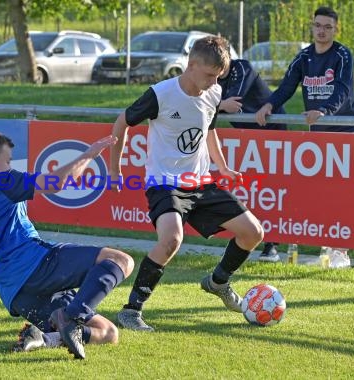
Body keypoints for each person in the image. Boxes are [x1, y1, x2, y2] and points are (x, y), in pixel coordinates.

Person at [109, 36, 264, 331]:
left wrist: (223, 167)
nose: (213, 81)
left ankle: (218, 282)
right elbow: (122, 122)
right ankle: (131, 310)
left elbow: (209, 130)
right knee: (171, 240)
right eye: (208, 75)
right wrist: (114, 170)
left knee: (253, 232)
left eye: (217, 76)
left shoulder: (214, 92)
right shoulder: (161, 94)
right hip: (164, 184)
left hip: (201, 183)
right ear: (191, 65)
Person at [0, 128, 134, 360]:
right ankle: (71, 317)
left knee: (109, 332)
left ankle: (43, 338)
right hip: (39, 268)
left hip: (18, 296)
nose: (9, 166)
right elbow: (57, 182)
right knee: (121, 260)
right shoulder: (1, 180)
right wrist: (89, 154)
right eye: (7, 161)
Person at [218, 58, 289, 263]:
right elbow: (198, 100)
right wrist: (218, 103)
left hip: (272, 133)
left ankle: (272, 245)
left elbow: (233, 102)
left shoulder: (242, 67)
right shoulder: (210, 76)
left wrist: (216, 103)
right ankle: (246, 240)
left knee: (273, 190)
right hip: (246, 138)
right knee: (250, 189)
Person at [255, 6, 354, 132]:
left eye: (328, 27)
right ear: (312, 27)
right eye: (318, 25)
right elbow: (286, 87)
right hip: (317, 128)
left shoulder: (343, 55)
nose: (322, 30)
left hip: (344, 129)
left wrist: (323, 110)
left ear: (335, 30)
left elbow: (342, 89)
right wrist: (269, 105)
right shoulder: (303, 57)